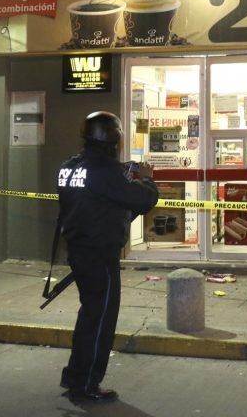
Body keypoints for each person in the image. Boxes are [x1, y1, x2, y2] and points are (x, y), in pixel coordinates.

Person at [57, 111, 158, 401]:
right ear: (114, 140)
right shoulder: (105, 171)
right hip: (100, 255)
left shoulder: (69, 167)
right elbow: (143, 198)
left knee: (89, 315)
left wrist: (121, 177)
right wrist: (147, 179)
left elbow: (94, 197)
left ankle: (75, 377)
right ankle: (87, 383)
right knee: (100, 320)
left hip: (79, 250)